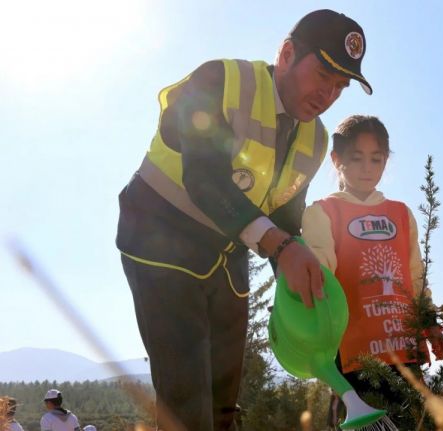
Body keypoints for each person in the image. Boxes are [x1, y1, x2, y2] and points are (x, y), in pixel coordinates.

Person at [115, 9, 372, 431]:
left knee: (222, 404)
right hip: (159, 239)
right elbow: (204, 178)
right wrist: (282, 247)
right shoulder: (219, 81)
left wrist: (306, 283)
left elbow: (284, 218)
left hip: (228, 254)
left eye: (340, 86)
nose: (329, 94)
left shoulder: (316, 138)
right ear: (287, 54)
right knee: (186, 399)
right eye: (323, 75)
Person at [301, 115, 443, 425]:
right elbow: (319, 277)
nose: (367, 168)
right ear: (336, 159)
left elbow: (415, 275)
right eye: (356, 158)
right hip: (353, 361)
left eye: (376, 159)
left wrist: (430, 323)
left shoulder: (400, 213)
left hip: (405, 352)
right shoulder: (322, 213)